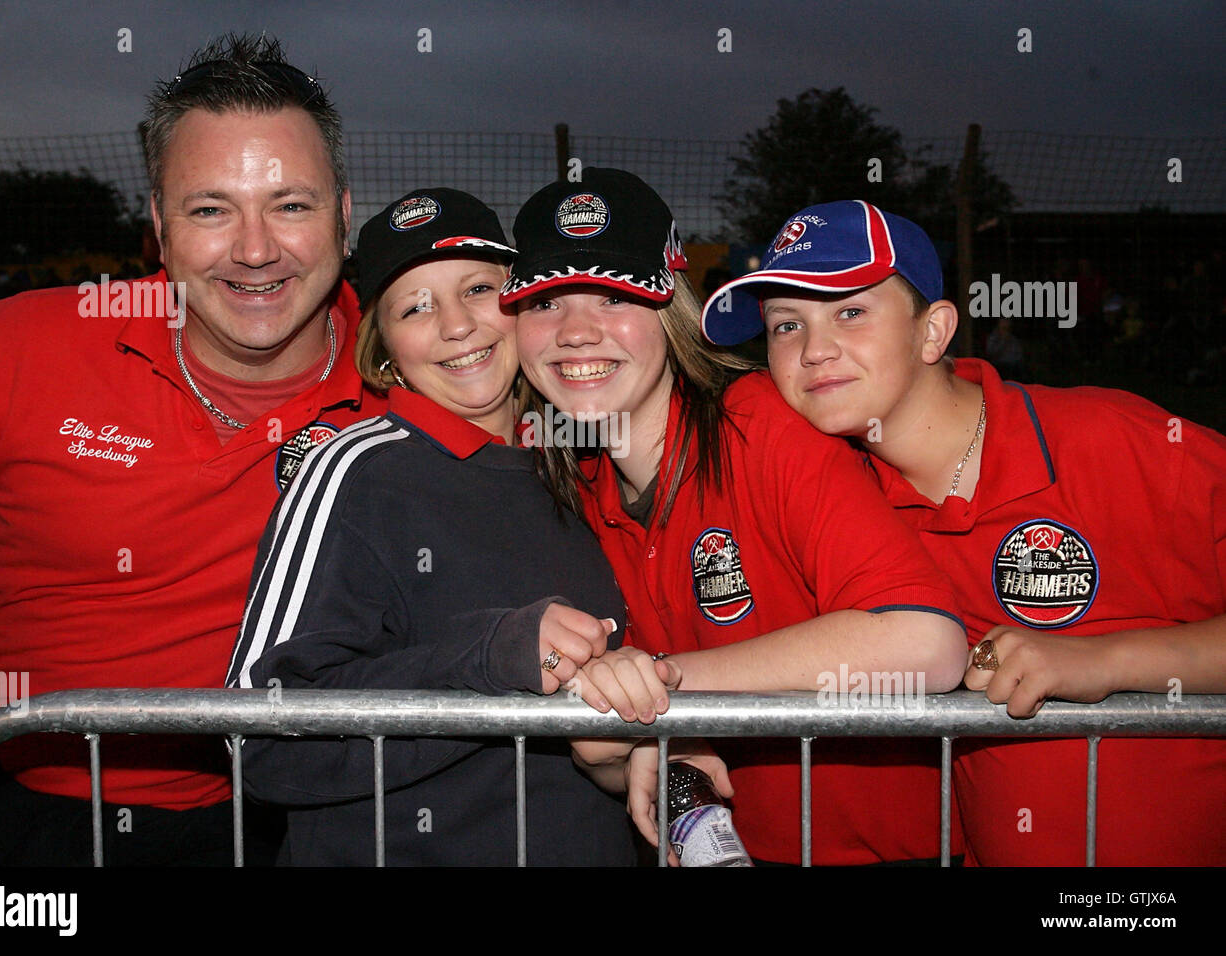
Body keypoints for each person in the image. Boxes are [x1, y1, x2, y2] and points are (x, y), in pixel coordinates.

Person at [0, 34, 383, 865]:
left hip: (289, 820)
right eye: (211, 209)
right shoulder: (14, 348)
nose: (254, 249)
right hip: (10, 813)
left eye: (291, 204)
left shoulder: (407, 382)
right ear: (160, 229)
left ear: (344, 217)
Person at [700, 198, 1226, 865]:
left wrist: (1105, 662)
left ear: (933, 332)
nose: (813, 351)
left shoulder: (1117, 444)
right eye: (783, 325)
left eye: (851, 312)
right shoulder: (836, 505)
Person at [505, 168, 969, 866]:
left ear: (671, 309)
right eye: (545, 304)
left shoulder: (758, 421)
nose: (575, 332)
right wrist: (637, 739)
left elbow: (925, 644)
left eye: (611, 295)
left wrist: (666, 685)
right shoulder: (580, 485)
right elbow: (606, 749)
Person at [225, 188, 638, 866]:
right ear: (384, 350)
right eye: (415, 307)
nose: (455, 325)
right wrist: (485, 660)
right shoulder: (356, 473)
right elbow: (260, 737)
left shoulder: (582, 457)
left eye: (477, 288)